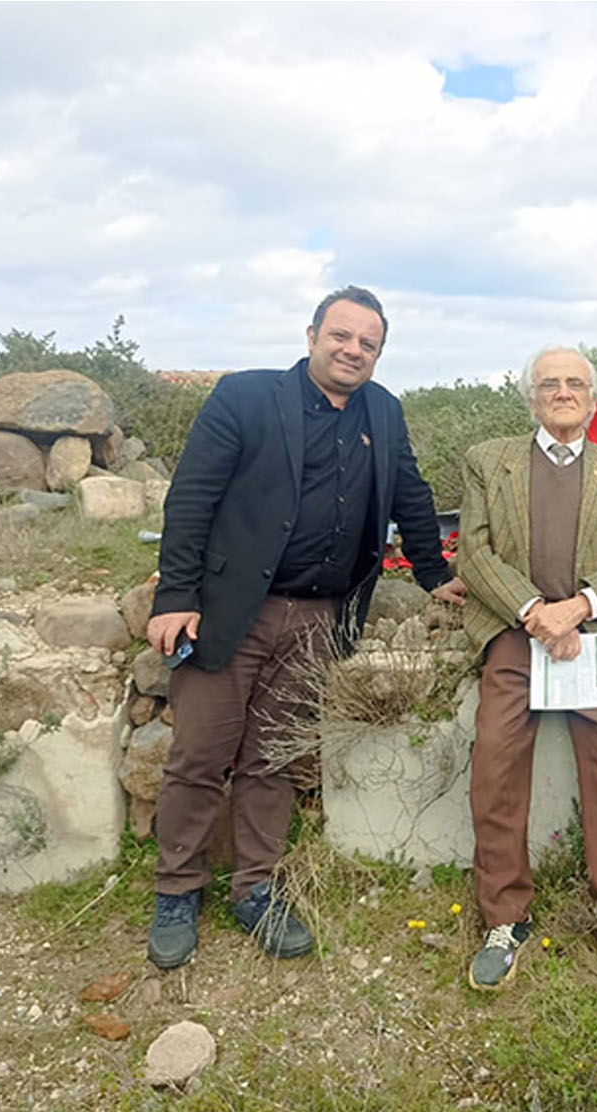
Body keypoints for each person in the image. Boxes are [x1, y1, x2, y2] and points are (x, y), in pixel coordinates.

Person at [145, 285, 467, 970]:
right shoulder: (246, 397)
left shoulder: (384, 409)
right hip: (233, 608)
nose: (352, 350)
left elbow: (410, 492)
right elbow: (192, 495)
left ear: (380, 353)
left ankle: (256, 887)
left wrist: (435, 575)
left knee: (275, 757)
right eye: (341, 335)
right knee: (200, 755)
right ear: (312, 333)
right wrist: (175, 595)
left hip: (321, 617)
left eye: (368, 343)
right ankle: (177, 889)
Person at [455, 347, 597, 986]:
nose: (563, 391)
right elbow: (475, 549)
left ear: (594, 396)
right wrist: (534, 612)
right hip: (517, 636)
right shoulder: (489, 462)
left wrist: (579, 607)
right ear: (532, 398)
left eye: (576, 382)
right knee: (494, 759)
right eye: (551, 383)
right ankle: (505, 915)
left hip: (593, 636)